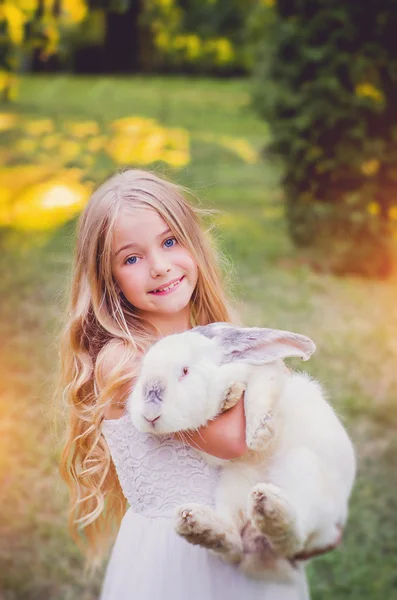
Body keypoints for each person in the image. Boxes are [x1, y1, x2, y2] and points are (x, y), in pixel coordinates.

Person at [59, 169, 339, 600]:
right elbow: (235, 441)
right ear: (108, 278)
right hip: (179, 560)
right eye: (131, 258)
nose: (160, 267)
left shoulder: (206, 340)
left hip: (244, 534)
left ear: (193, 242)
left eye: (170, 241)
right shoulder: (125, 359)